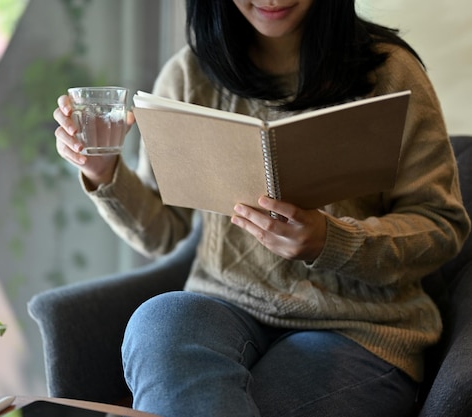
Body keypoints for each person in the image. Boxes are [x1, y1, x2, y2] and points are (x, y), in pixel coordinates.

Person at [53, 1, 471, 416]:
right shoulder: (188, 76)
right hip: (226, 307)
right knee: (158, 321)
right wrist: (103, 171)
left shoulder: (389, 72)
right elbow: (163, 232)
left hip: (359, 327)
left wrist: (330, 240)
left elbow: (441, 225)